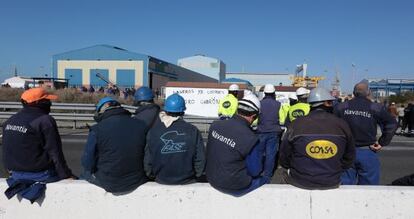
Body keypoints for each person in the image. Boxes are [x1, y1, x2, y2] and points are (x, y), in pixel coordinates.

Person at [2, 88, 75, 202]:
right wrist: (66, 175)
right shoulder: (45, 120)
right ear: (38, 103)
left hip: (15, 175)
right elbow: (55, 152)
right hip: (39, 175)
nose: (50, 104)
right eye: (47, 100)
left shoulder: (10, 120)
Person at [279, 87, 355, 189]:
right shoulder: (342, 125)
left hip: (300, 181)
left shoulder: (296, 124)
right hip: (332, 181)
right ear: (327, 103)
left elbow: (284, 156)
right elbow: (349, 157)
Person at [334, 81, 398, 185]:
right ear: (368, 93)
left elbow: (332, 125)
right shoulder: (375, 107)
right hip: (367, 151)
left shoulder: (341, 107)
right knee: (369, 189)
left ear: (354, 93)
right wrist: (382, 142)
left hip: (345, 151)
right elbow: (392, 124)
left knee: (345, 188)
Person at [81, 97, 148, 193]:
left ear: (101, 111)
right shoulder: (141, 125)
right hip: (136, 179)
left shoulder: (96, 129)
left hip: (108, 181)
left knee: (85, 173)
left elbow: (87, 163)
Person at [206, 94, 268, 196]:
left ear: (237, 110)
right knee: (264, 179)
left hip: (211, 178)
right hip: (235, 185)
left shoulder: (215, 125)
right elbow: (255, 171)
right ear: (254, 116)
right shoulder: (251, 138)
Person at [144, 93, 206, 184]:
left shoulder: (153, 131)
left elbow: (148, 162)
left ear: (166, 110)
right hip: (187, 181)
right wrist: (196, 175)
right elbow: (200, 160)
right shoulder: (193, 131)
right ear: (183, 111)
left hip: (161, 180)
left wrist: (152, 176)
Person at [256, 84, 283, 178]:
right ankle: (267, 175)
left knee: (259, 153)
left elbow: (255, 120)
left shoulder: (259, 103)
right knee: (270, 155)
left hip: (261, 131)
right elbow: (282, 118)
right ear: (274, 93)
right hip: (274, 132)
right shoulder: (278, 104)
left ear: (264, 93)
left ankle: (257, 172)